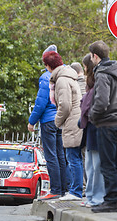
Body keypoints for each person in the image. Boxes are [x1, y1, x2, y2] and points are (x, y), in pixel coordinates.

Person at [43, 51, 83, 201]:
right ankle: (74, 190)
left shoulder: (61, 80)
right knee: (73, 157)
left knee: (73, 158)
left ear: (48, 66)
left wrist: (57, 121)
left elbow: (64, 105)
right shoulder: (69, 76)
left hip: (71, 121)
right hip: (76, 119)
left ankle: (75, 192)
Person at [29, 45, 67, 200]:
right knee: (61, 155)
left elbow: (41, 102)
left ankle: (55, 190)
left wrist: (32, 121)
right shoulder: (66, 73)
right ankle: (64, 189)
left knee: (51, 156)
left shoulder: (46, 77)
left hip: (49, 120)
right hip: (62, 119)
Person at [88, 40, 117, 213]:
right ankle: (115, 197)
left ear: (95, 56)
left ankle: (110, 201)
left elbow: (101, 102)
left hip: (107, 123)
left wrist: (92, 115)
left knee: (107, 164)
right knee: (116, 163)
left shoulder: (102, 73)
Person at [79, 53, 105, 208]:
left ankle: (95, 197)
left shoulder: (95, 82)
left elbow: (88, 105)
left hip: (94, 125)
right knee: (90, 163)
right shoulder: (91, 82)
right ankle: (91, 196)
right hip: (90, 126)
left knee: (95, 164)